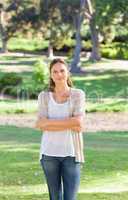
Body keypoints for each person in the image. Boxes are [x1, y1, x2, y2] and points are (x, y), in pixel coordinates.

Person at [36, 58, 86, 200]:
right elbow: (40, 124)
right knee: (54, 197)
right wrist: (70, 123)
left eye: (62, 71)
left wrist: (49, 123)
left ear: (68, 72)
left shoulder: (78, 94)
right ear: (51, 75)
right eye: (55, 71)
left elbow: (79, 123)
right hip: (49, 154)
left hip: (72, 154)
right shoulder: (44, 97)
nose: (59, 74)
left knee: (70, 198)